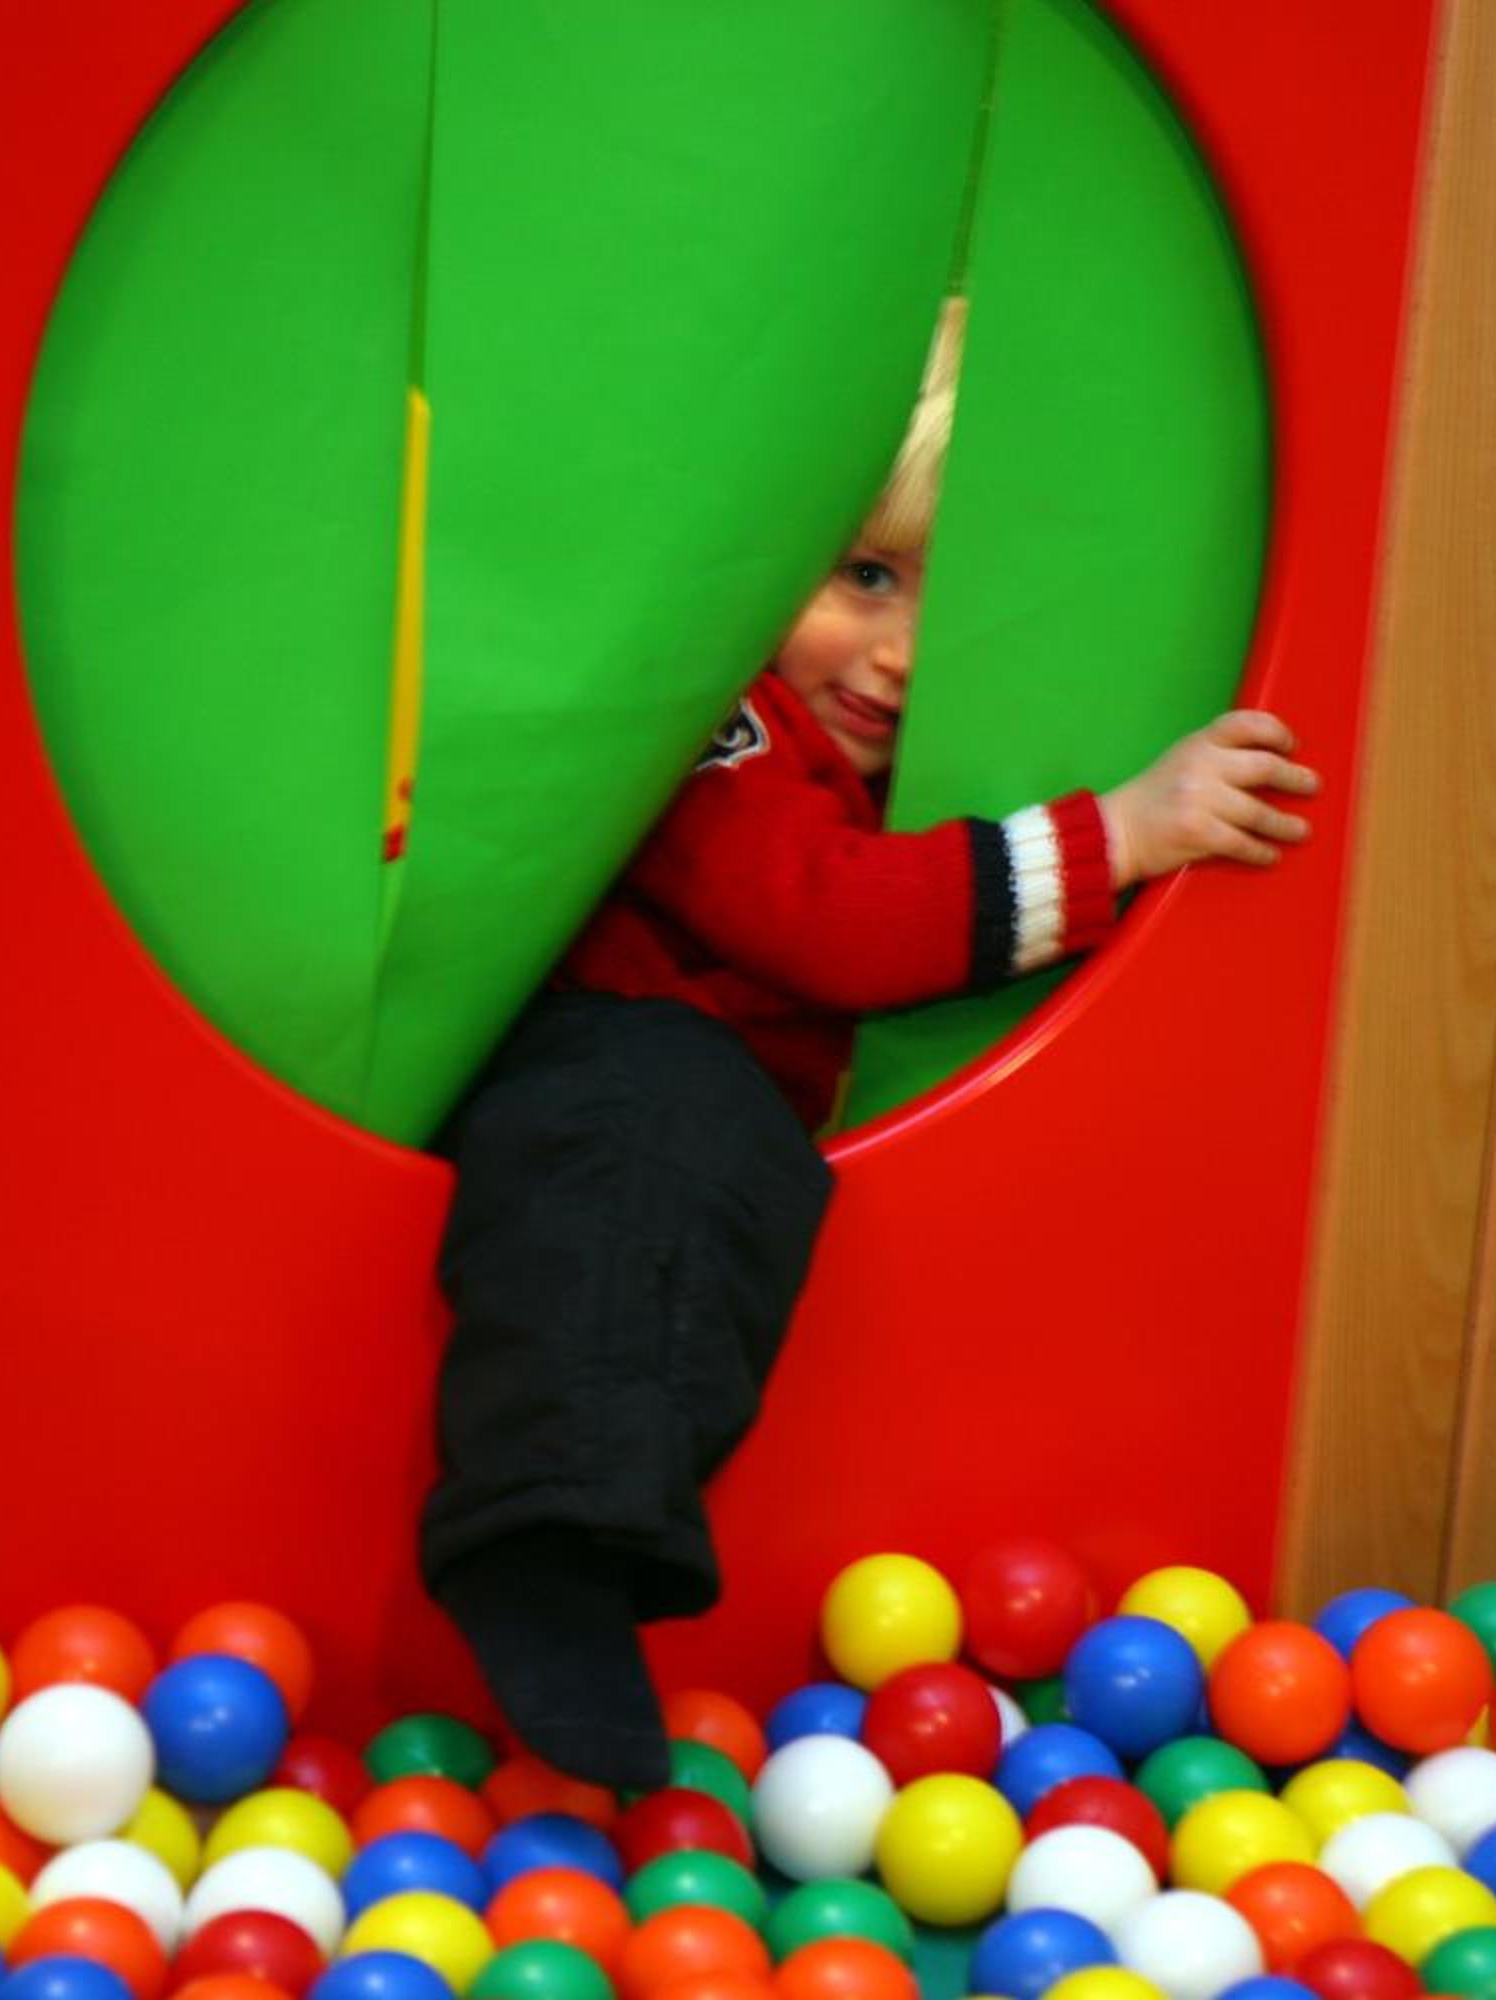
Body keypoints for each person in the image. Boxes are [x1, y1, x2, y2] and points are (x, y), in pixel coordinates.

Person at [420, 307, 1318, 1788]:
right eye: (866, 577)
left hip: (721, 1147)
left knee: (708, 1170)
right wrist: (1120, 834)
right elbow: (826, 918)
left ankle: (588, 1534)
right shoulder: (711, 728)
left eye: (949, 612)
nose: (898, 659)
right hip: (598, 1083)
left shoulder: (871, 752)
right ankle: (547, 1544)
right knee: (651, 1139)